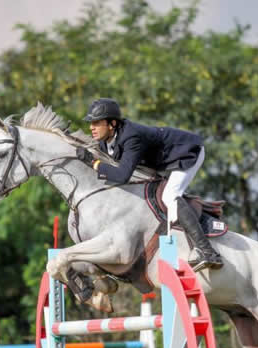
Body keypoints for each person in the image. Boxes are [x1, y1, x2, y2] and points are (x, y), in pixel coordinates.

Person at [76, 98, 223, 272]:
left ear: (112, 123)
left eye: (96, 123)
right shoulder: (105, 139)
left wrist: (95, 164)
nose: (91, 127)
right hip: (163, 161)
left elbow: (122, 175)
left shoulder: (131, 137)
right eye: (91, 123)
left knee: (169, 195)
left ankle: (208, 252)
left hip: (186, 153)